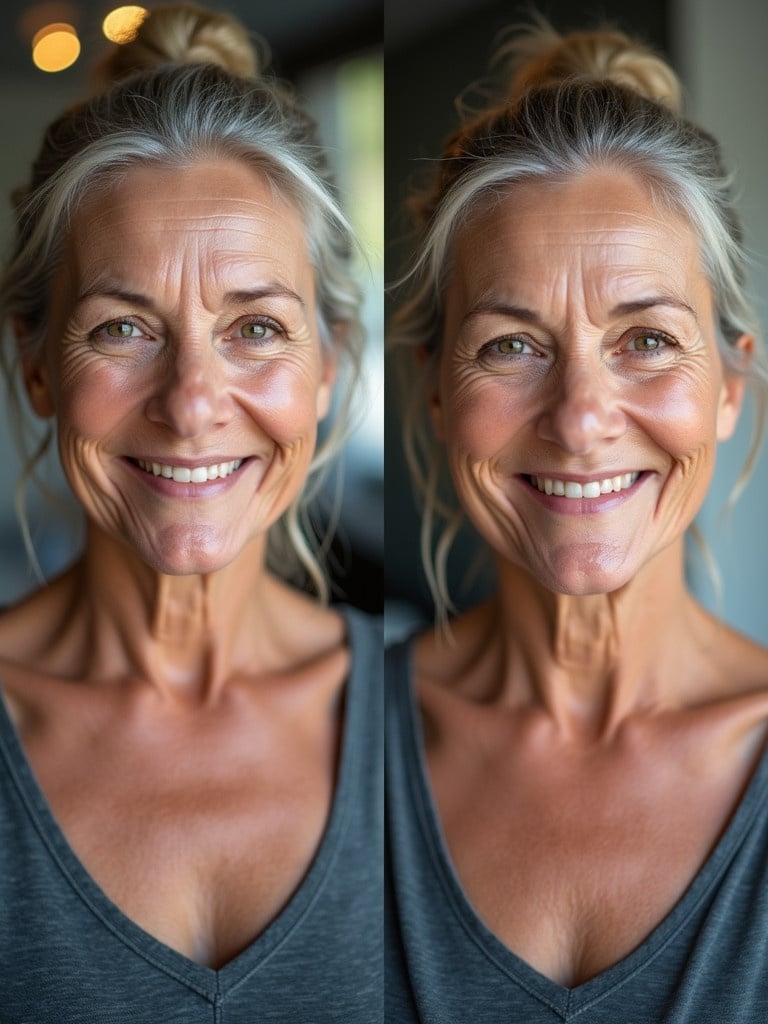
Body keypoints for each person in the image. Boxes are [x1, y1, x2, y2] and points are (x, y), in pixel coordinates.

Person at [0, 4, 382, 1021]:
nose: (192, 401)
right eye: (123, 326)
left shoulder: (436, 732)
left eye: (257, 326)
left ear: (330, 364)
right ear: (36, 360)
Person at [386, 22, 768, 1023]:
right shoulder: (327, 747)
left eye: (646, 339)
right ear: (434, 390)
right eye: (513, 344)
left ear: (730, 383)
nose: (581, 416)